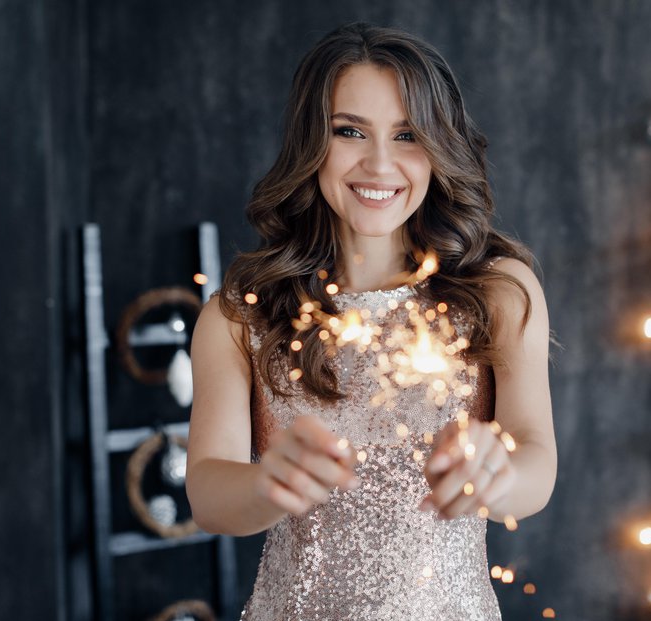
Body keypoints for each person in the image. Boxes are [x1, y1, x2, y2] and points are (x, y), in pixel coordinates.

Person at [186, 22, 556, 621]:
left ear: (439, 147)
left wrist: (499, 472)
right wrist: (266, 486)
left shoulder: (500, 293)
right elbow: (206, 491)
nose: (380, 163)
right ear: (312, 142)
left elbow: (536, 465)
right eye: (349, 131)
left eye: (407, 135)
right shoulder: (239, 315)